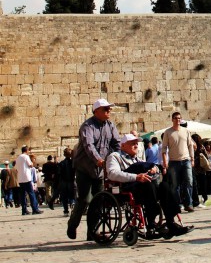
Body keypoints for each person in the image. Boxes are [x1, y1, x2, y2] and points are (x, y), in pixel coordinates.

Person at [106, 134, 193, 237]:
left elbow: (151, 169)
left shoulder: (138, 159)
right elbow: (112, 173)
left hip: (145, 185)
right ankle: (151, 224)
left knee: (165, 186)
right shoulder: (115, 156)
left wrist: (154, 170)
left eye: (136, 143)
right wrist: (136, 177)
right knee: (147, 184)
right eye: (132, 144)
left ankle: (171, 222)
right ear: (123, 146)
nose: (136, 146)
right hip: (127, 187)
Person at [67, 98, 120, 240]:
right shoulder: (87, 126)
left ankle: (92, 231)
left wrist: (117, 159)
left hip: (100, 170)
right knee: (84, 199)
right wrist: (99, 160)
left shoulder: (111, 126)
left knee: (98, 199)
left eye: (109, 109)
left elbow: (116, 144)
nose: (109, 111)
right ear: (96, 111)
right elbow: (88, 145)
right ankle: (72, 225)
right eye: (105, 109)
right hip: (85, 168)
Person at [161, 112, 195, 213]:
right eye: (175, 118)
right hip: (173, 162)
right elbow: (164, 148)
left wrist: (192, 159)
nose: (177, 120)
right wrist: (165, 162)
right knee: (175, 185)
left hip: (186, 160)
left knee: (189, 182)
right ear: (172, 120)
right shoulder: (168, 132)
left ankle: (189, 204)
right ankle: (177, 204)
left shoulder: (186, 131)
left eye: (179, 118)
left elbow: (190, 145)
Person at [16, 145, 43, 216]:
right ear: (26, 150)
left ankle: (24, 210)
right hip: (27, 178)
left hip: (20, 179)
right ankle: (35, 209)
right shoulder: (26, 157)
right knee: (31, 194)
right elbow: (30, 165)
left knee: (23, 195)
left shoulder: (18, 158)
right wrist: (32, 163)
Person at [58, 147, 75, 216]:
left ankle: (66, 211)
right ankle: (72, 203)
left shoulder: (61, 163)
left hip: (64, 182)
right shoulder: (73, 163)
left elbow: (59, 173)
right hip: (71, 181)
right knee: (71, 195)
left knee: (64, 197)